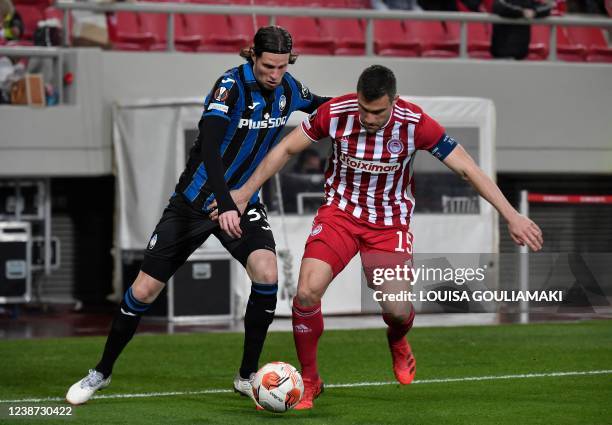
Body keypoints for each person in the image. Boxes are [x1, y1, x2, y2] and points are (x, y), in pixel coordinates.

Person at [216, 64, 544, 409]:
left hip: (389, 226)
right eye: (363, 109)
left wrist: (512, 215)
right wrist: (243, 193)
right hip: (339, 215)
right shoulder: (336, 113)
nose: (368, 118)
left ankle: (398, 338)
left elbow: (467, 169)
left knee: (398, 310)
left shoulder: (415, 123)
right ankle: (310, 382)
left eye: (377, 111)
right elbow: (286, 149)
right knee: (307, 291)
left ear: (394, 101)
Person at [65, 25, 330, 405]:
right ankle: (101, 372)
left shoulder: (289, 89)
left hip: (243, 203)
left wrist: (365, 100)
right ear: (252, 55)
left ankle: (245, 376)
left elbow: (324, 104)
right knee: (144, 290)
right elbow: (208, 145)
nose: (275, 74)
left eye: (283, 67)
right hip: (194, 204)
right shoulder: (230, 86)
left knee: (267, 274)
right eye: (269, 66)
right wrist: (223, 203)